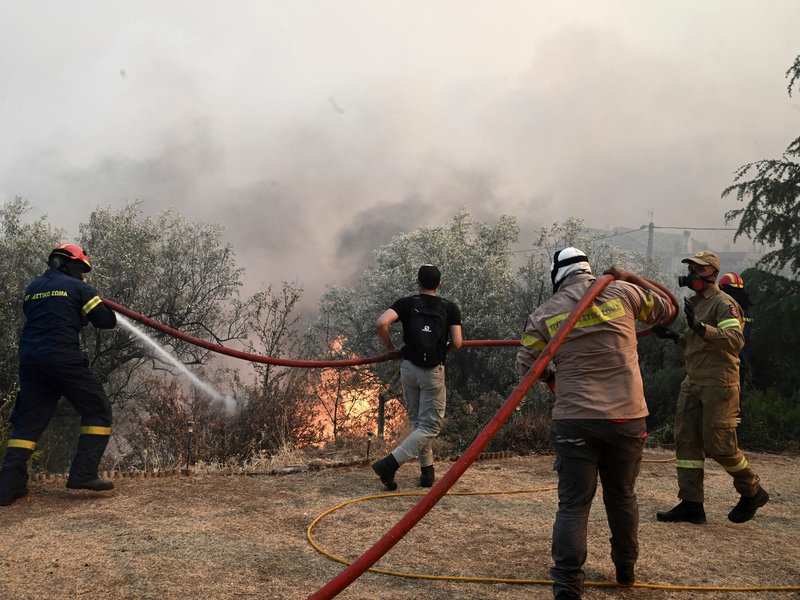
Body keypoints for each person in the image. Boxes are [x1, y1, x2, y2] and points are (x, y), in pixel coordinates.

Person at [515, 248, 674, 600]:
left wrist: (553, 379)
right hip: (627, 418)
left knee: (573, 504)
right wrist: (630, 277)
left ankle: (568, 585)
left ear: (556, 276)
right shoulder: (624, 293)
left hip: (575, 421)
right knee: (622, 495)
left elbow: (526, 366)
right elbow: (668, 309)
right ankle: (626, 569)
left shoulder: (544, 314)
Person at [652, 251, 768, 525]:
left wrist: (700, 327)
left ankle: (752, 491)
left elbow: (734, 341)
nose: (691, 273)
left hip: (719, 384)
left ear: (713, 274)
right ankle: (692, 504)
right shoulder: (697, 303)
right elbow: (699, 343)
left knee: (719, 446)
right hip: (693, 381)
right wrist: (676, 337)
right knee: (687, 441)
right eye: (690, 268)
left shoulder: (723, 304)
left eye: (698, 269)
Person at [0, 243, 117, 507]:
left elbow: (49, 316)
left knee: (28, 423)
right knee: (97, 409)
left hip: (31, 362)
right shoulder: (79, 288)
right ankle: (84, 473)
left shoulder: (32, 288)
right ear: (63, 264)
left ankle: (8, 487)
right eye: (80, 268)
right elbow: (106, 321)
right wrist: (90, 305)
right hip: (63, 359)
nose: (82, 275)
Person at [371, 264, 462, 490]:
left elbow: (381, 323)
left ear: (418, 282)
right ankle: (390, 464)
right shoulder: (449, 308)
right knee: (429, 428)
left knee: (418, 423)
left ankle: (427, 473)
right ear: (439, 284)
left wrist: (391, 347)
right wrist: (443, 350)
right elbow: (458, 343)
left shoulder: (406, 303)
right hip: (432, 372)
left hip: (409, 368)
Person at [718, 271, 754, 393]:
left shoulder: (731, 308)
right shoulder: (747, 308)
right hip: (742, 363)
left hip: (727, 366)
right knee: (736, 403)